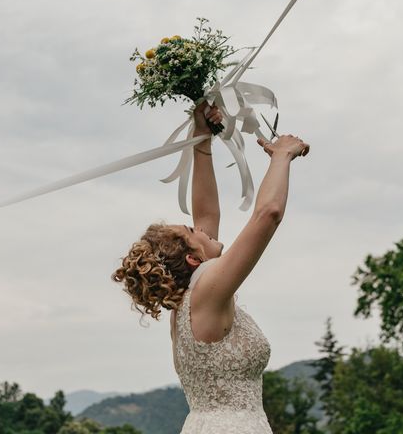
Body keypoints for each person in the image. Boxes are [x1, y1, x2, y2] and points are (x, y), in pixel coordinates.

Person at [112, 101, 309, 433]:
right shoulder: (205, 289)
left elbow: (206, 214)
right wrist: (281, 156)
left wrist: (202, 137)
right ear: (193, 259)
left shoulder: (192, 297)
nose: (200, 226)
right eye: (192, 232)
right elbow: (268, 214)